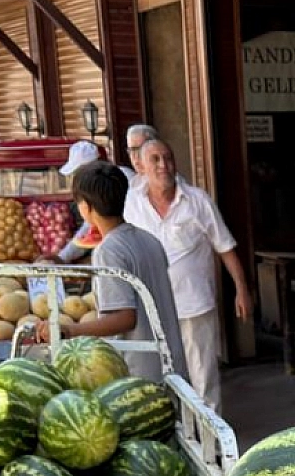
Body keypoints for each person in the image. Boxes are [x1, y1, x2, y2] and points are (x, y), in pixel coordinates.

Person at [124, 138, 251, 411]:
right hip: (151, 309)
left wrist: (241, 289)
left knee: (203, 377)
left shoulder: (197, 201)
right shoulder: (131, 204)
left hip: (194, 306)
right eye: (155, 159)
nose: (163, 165)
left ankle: (211, 435)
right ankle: (176, 432)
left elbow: (225, 248)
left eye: (168, 158)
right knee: (163, 377)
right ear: (141, 167)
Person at [40, 161, 188, 383]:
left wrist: (69, 330)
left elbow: (125, 318)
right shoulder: (148, 240)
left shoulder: (108, 250)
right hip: (172, 367)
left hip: (141, 374)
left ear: (86, 207)